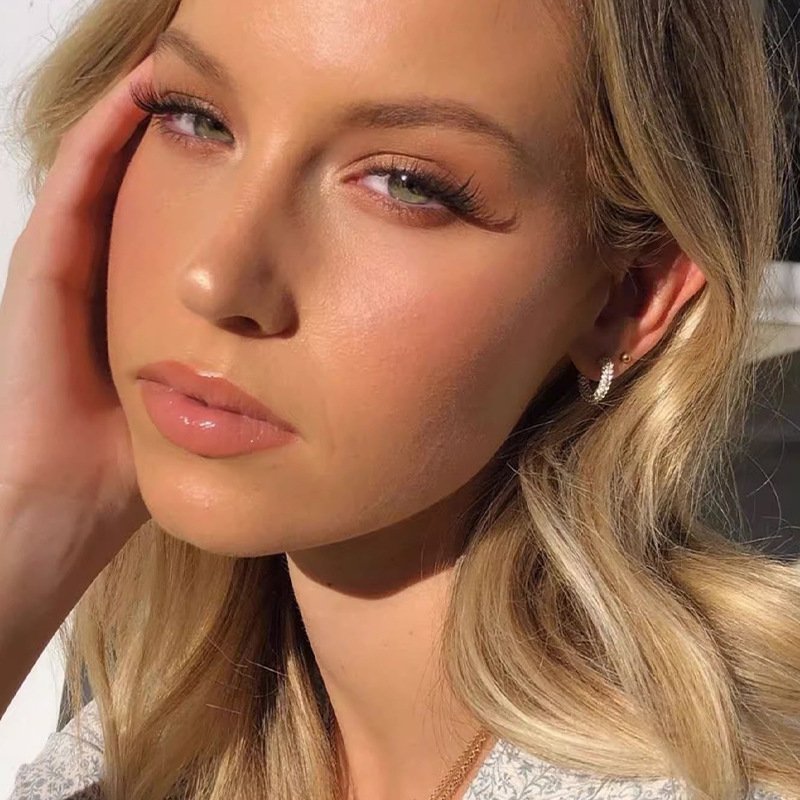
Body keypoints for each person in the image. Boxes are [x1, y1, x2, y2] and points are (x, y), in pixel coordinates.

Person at [0, 0, 797, 798]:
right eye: (196, 119)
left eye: (406, 183)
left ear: (628, 296)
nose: (217, 279)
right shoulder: (139, 744)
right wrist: (32, 508)